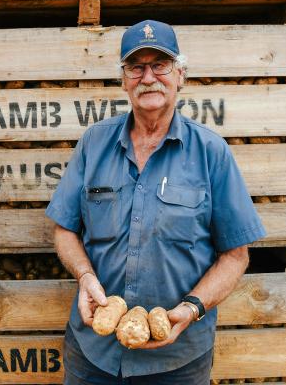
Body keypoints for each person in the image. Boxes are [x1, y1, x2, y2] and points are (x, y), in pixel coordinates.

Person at [46, 20, 267, 384]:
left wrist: (192, 308)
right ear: (123, 79)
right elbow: (64, 229)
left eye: (160, 65)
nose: (148, 77)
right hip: (94, 355)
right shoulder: (94, 144)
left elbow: (236, 255)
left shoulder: (211, 152)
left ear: (180, 75)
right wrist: (85, 276)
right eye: (136, 67)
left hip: (177, 360)